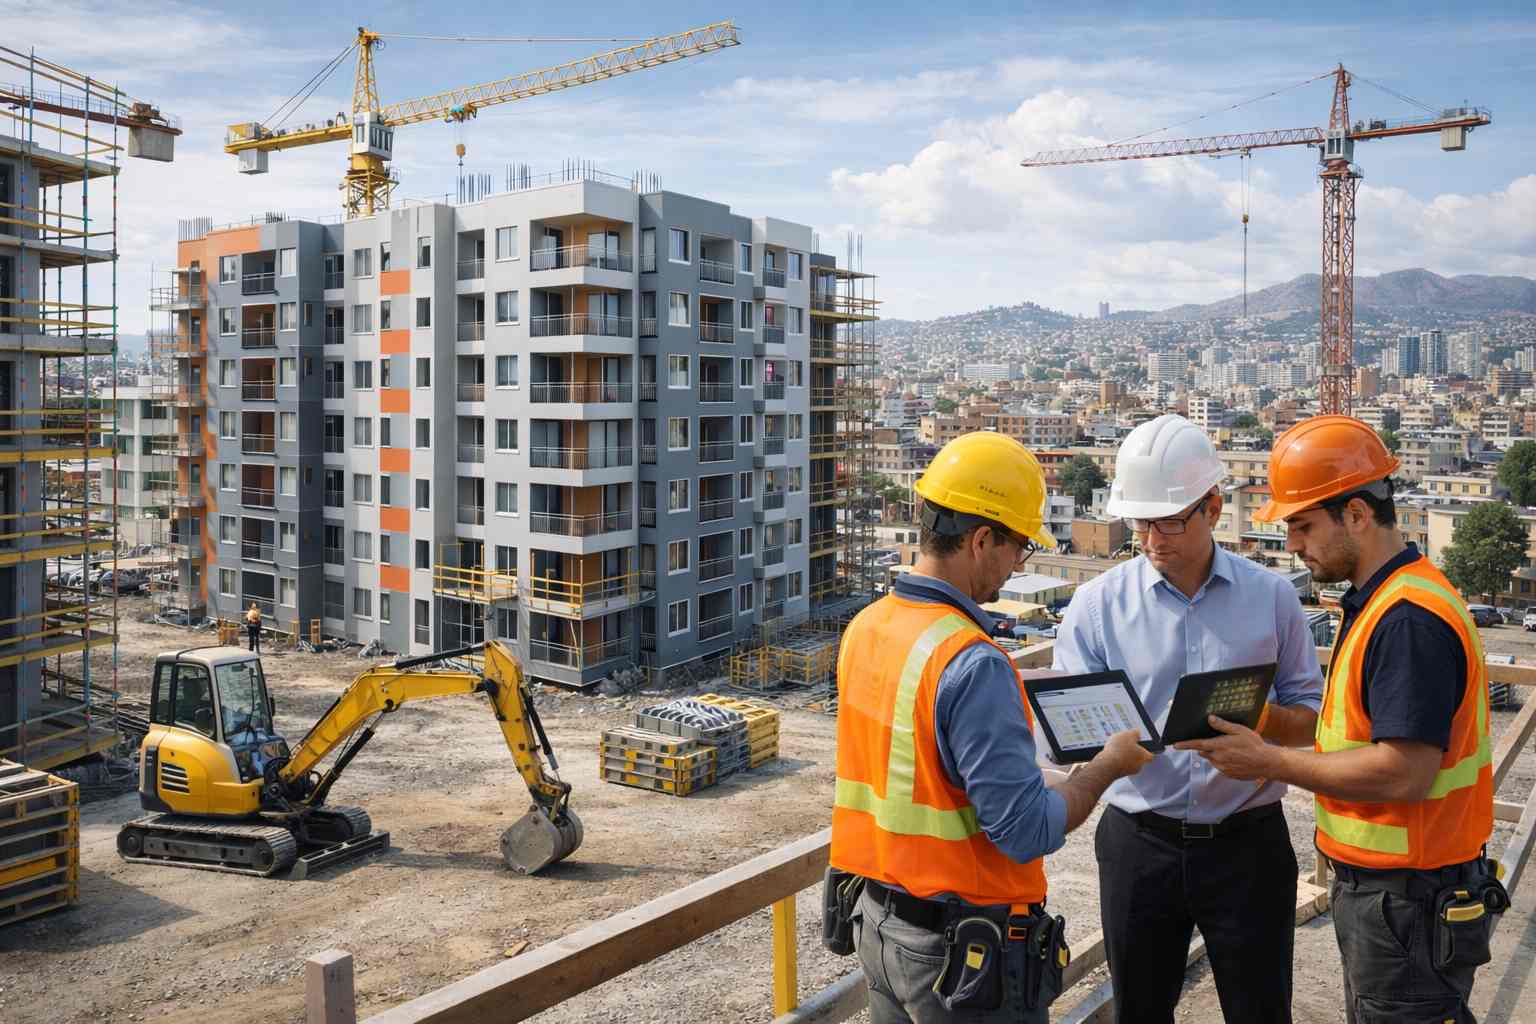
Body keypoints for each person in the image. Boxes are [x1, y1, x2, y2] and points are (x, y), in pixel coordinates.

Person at [1178, 416, 1502, 1024]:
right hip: (1400, 894)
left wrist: (1267, 762)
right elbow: (1353, 732)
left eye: (1302, 526)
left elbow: (1404, 772)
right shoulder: (1388, 599)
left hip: (1407, 898)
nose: (1292, 544)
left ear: (1355, 514)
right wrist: (1260, 719)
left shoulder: (1407, 620)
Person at [831, 431, 1153, 1023]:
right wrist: (1106, 767)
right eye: (1019, 548)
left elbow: (917, 768)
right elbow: (1026, 830)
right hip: (962, 958)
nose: (1016, 565)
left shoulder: (868, 626)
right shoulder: (972, 662)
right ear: (982, 540)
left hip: (879, 926)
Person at [1052, 414, 1325, 1024]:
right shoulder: (1096, 606)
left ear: (1213, 508)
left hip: (1248, 844)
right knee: (1140, 1012)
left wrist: (1257, 723)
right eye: (1140, 523)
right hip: (1138, 844)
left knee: (1260, 1012)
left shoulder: (1272, 597)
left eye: (1170, 521)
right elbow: (1073, 730)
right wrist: (1106, 749)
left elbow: (1311, 717)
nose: (1153, 540)